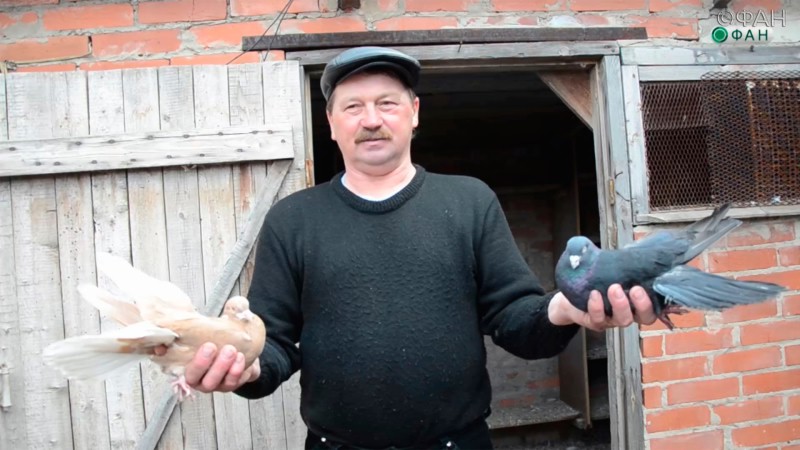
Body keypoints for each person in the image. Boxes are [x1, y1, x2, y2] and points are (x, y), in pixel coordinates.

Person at [183, 46, 657, 450]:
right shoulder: (293, 219)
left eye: (387, 103)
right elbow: (275, 344)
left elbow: (514, 320)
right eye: (353, 107)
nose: (371, 120)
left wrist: (566, 308)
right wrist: (245, 368)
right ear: (331, 123)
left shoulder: (469, 201)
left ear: (414, 113)